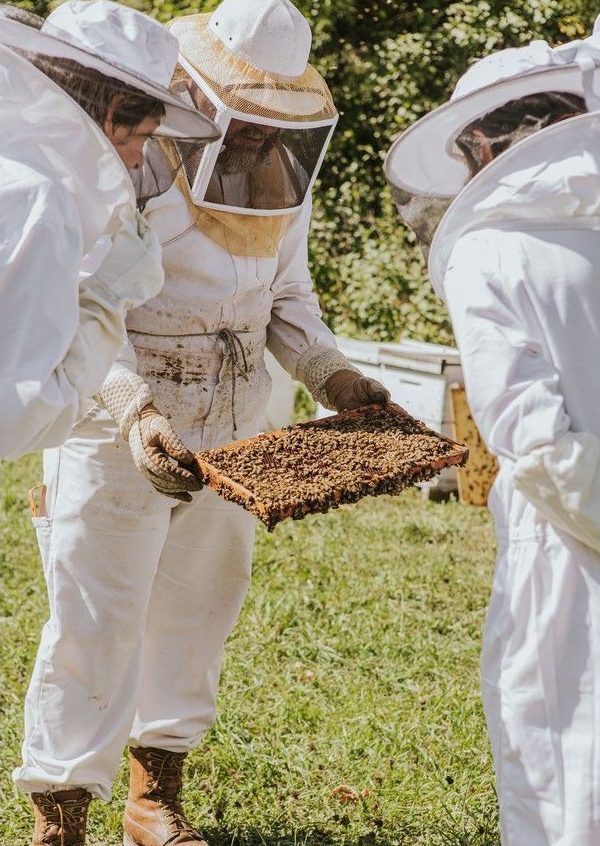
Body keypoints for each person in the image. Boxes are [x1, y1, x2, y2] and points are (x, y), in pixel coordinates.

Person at [13, 1, 390, 844]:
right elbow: (80, 313)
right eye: (244, 125)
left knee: (199, 607)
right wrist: (132, 407)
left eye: (272, 129)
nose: (257, 144)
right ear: (205, 101)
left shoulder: (282, 192)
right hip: (117, 413)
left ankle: (153, 801)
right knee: (94, 614)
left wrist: (335, 375)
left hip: (237, 412)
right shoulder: (126, 167)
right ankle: (60, 815)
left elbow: (285, 299)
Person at [386, 33, 600, 846]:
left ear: (482, 142)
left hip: (568, 553)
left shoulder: (488, 251)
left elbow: (537, 448)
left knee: (561, 764)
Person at [0, 0, 219, 460]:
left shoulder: (12, 166)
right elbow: (16, 418)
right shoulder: (46, 203)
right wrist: (106, 297)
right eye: (140, 136)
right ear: (112, 109)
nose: (140, 159)